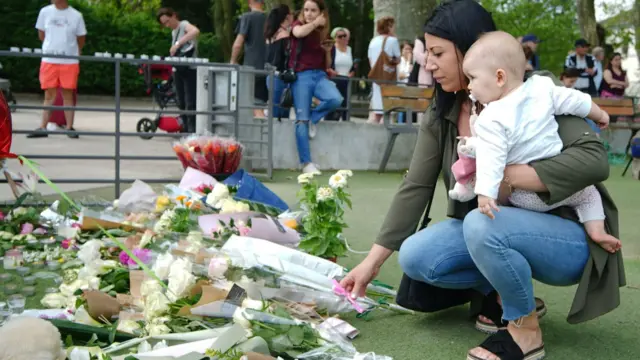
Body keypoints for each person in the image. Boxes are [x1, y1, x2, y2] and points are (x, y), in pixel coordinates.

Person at [339, 1, 624, 359]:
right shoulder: (442, 111)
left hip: (570, 230)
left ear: (473, 48)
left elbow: (594, 161)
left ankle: (526, 332)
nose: (428, 64)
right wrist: (371, 262)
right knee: (416, 256)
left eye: (438, 53)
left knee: (479, 222)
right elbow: (416, 185)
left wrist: (504, 176)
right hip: (493, 226)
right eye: (428, 53)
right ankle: (501, 290)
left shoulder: (532, 94)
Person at [453, 31, 620, 253]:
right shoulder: (541, 87)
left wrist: (485, 193)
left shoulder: (490, 117)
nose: (470, 86)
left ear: (499, 77)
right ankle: (596, 230)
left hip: (523, 196)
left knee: (500, 211)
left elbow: (491, 158)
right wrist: (599, 114)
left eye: (472, 78)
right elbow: (574, 100)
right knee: (589, 194)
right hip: (557, 181)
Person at [289, 0, 343, 174]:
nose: (309, 13)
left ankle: (313, 119)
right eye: (306, 10)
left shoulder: (323, 31)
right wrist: (314, 23)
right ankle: (306, 164)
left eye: (313, 10)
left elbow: (327, 64)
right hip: (301, 76)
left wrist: (327, 51)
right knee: (301, 119)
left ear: (321, 12)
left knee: (336, 98)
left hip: (319, 75)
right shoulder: (299, 24)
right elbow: (297, 33)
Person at [28, 0, 86, 139]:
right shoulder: (45, 12)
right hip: (49, 60)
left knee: (68, 94)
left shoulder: (76, 15)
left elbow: (81, 38)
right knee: (49, 94)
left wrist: (75, 51)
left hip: (69, 61)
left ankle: (69, 127)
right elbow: (41, 34)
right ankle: (43, 127)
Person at [157, 8, 200, 134]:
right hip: (178, 69)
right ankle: (185, 128)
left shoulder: (183, 25)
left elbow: (195, 31)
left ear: (174, 15)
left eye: (168, 21)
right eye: (164, 23)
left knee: (190, 101)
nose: (167, 25)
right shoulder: (173, 31)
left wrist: (178, 43)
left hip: (190, 69)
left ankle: (192, 130)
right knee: (181, 101)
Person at [231, 0, 268, 119]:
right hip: (266, 67)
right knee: (260, 104)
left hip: (251, 68)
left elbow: (238, 43)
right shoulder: (269, 18)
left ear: (250, 2)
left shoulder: (247, 17)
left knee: (253, 107)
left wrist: (233, 61)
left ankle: (259, 134)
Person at [367, 17, 401, 124]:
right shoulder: (392, 40)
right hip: (388, 78)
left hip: (376, 78)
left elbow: (370, 59)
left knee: (377, 111)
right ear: (389, 26)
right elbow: (398, 58)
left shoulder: (373, 41)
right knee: (387, 110)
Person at [264, 5, 293, 120]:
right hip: (281, 78)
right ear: (286, 17)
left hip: (271, 76)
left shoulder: (271, 34)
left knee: (275, 112)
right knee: (282, 114)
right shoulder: (285, 35)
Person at [325, 27, 355, 121]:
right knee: (335, 102)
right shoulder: (332, 49)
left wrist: (352, 72)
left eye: (344, 36)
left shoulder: (349, 49)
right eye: (339, 36)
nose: (343, 38)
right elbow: (326, 64)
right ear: (334, 38)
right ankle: (330, 121)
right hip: (334, 79)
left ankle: (346, 122)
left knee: (345, 103)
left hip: (346, 79)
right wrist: (331, 71)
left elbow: (352, 65)